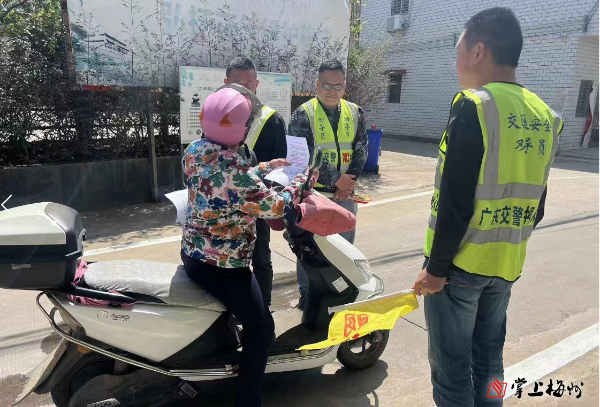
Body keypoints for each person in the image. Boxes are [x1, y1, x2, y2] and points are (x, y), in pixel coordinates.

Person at [412, 8, 563, 407]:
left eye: (459, 50)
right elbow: (538, 203)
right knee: (491, 362)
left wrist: (436, 268)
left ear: (478, 51)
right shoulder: (545, 115)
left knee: (452, 372)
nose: (456, 60)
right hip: (507, 263)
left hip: (459, 266)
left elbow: (456, 202)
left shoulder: (474, 105)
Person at [180, 85, 310, 407]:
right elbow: (275, 206)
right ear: (242, 129)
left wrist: (267, 166)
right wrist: (301, 179)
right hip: (224, 267)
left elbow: (228, 177)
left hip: (193, 253)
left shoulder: (195, 150)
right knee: (262, 329)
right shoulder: (233, 168)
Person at [288, 59, 368, 309]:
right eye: (326, 85)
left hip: (345, 196)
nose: (332, 91)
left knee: (343, 249)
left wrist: (347, 184)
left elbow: (361, 149)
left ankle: (339, 295)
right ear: (316, 85)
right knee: (310, 250)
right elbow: (302, 156)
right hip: (313, 197)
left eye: (338, 86)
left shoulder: (355, 112)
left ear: (344, 86)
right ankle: (307, 296)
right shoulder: (303, 114)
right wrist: (336, 180)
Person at [224, 56, 287, 308]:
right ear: (225, 84)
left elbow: (280, 169)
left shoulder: (271, 120)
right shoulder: (217, 115)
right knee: (227, 261)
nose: (242, 91)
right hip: (224, 209)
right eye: (236, 85)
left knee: (261, 258)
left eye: (248, 85)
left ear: (257, 85)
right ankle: (231, 311)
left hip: (257, 205)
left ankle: (264, 307)